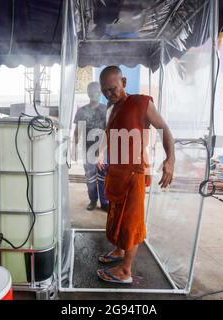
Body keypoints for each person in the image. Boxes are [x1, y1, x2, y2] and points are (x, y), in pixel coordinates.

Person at [96, 66, 175, 284]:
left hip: (134, 173)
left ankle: (125, 271)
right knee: (116, 216)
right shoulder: (111, 109)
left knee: (131, 222)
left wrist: (170, 160)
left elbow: (164, 129)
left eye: (112, 89)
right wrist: (100, 153)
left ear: (124, 81)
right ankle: (120, 251)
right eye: (105, 91)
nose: (108, 95)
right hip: (116, 173)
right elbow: (108, 133)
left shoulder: (142, 102)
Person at [73, 82, 109, 212]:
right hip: (87, 150)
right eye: (96, 92)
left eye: (100, 92)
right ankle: (93, 200)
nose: (99, 95)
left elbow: (109, 132)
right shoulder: (82, 111)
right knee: (90, 177)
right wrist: (74, 147)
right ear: (89, 94)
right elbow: (77, 131)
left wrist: (102, 152)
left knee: (103, 176)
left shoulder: (105, 110)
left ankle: (105, 202)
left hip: (103, 150)